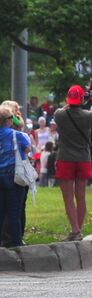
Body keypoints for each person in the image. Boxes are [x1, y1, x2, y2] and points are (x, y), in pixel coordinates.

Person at [52, 85, 92, 241]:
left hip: (65, 158)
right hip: (83, 159)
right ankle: (78, 230)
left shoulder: (59, 114)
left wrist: (74, 101)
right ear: (82, 99)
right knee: (81, 196)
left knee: (68, 198)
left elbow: (65, 108)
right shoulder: (88, 115)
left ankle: (75, 230)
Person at [0, 102, 34, 248]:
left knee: (1, 212)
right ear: (8, 120)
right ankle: (16, 243)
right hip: (14, 177)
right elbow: (28, 150)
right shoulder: (18, 135)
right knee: (14, 212)